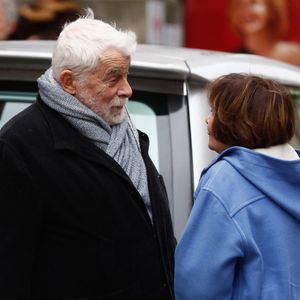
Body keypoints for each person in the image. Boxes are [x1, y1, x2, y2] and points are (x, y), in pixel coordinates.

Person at [0, 9, 175, 300]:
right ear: (69, 83)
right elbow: (9, 274)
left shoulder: (124, 129)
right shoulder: (20, 148)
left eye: (127, 74)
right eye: (113, 78)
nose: (128, 89)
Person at [175, 73, 300, 299]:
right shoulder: (293, 173)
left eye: (213, 111)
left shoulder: (226, 181)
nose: (207, 119)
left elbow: (197, 286)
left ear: (237, 122)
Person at [229, 0, 300, 67]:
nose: (245, 11)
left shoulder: (294, 56)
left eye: (253, 2)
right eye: (239, 5)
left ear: (271, 9)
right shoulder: (232, 61)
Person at [9, 0, 81, 40]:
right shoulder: (28, 11)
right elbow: (17, 34)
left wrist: (40, 38)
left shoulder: (68, 13)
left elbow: (65, 34)